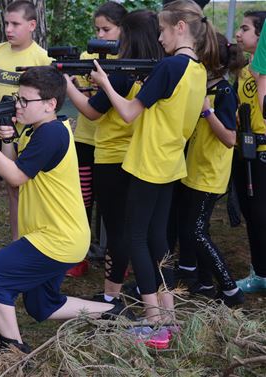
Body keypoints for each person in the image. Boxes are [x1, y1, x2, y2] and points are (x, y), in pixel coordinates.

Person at [0, 66, 132, 353]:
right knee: (42, 306)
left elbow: (15, 177)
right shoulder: (38, 130)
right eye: (18, 98)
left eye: (26, 101)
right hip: (55, 235)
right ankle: (110, 312)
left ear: (50, 104)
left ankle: (12, 347)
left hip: (56, 238)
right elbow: (15, 180)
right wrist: (6, 140)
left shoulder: (50, 134)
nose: (18, 105)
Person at [90, 0, 217, 347]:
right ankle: (170, 318)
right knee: (158, 241)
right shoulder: (199, 69)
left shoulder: (169, 67)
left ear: (179, 27)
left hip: (149, 164)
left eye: (162, 30)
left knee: (136, 239)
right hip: (172, 163)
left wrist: (105, 83)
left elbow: (129, 113)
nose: (159, 38)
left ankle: (154, 323)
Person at [65, 10, 164, 305]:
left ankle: (111, 295)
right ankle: (148, 292)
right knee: (139, 230)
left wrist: (67, 85)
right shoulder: (157, 69)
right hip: (143, 155)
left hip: (112, 156)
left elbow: (93, 111)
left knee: (118, 229)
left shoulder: (121, 74)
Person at [0, 0, 51, 262]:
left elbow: (49, 100)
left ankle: (19, 244)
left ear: (31, 25)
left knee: (16, 190)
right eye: (7, 23)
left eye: (16, 24)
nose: (9, 29)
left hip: (24, 137)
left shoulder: (41, 58)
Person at [176, 32, 245, 307]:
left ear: (210, 59)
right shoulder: (205, 86)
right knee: (192, 228)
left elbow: (230, 138)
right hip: (193, 170)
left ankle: (230, 289)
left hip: (210, 175)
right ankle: (205, 283)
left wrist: (207, 111)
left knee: (197, 232)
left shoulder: (224, 92)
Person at [66, 1, 128, 278]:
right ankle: (78, 256)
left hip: (113, 143)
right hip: (85, 139)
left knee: (111, 205)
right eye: (97, 30)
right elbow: (86, 102)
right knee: (82, 199)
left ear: (122, 29)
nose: (100, 36)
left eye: (107, 29)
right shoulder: (86, 55)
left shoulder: (127, 58)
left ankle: (117, 260)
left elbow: (103, 105)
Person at [233, 11, 266, 293]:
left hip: (264, 151)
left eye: (245, 28)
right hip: (246, 151)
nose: (238, 34)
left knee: (261, 213)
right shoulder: (243, 69)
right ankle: (259, 272)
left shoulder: (259, 70)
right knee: (252, 213)